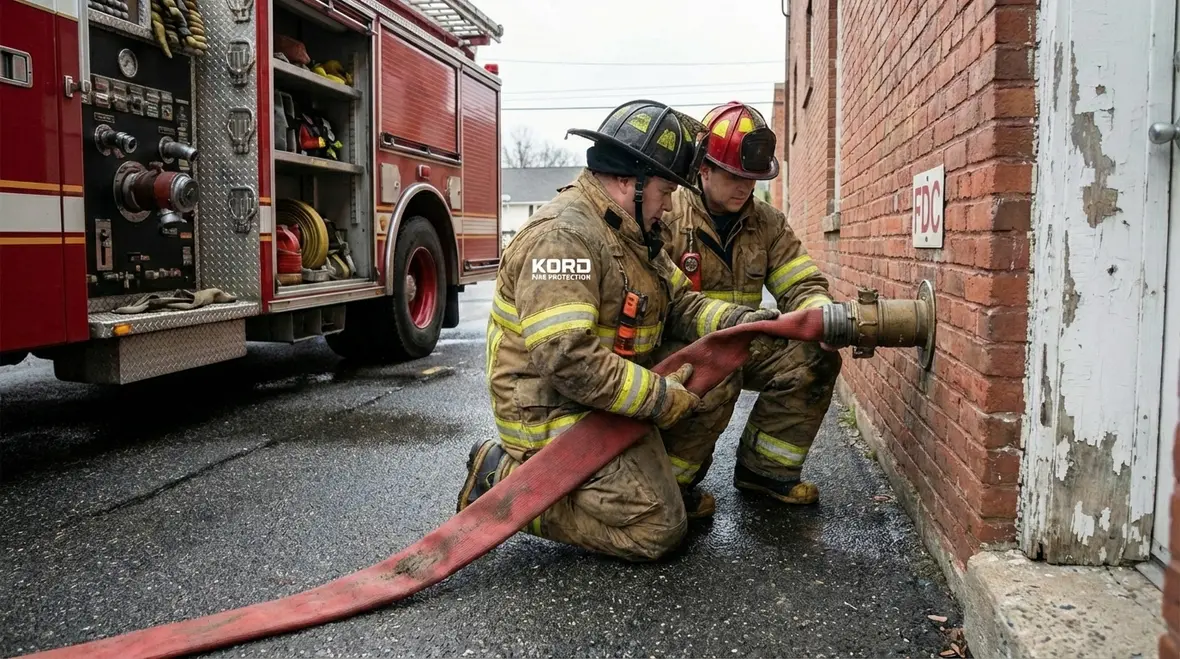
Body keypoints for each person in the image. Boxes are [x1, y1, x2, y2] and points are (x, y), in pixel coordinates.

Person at [456, 100, 779, 562]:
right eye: (666, 192)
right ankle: (500, 483)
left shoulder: (631, 232)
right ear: (630, 181)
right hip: (551, 410)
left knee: (714, 374)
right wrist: (659, 397)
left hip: (605, 395)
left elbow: (682, 304)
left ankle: (659, 486)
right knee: (657, 530)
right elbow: (569, 359)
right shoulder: (564, 237)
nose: (670, 206)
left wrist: (741, 324)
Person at [654, 101, 842, 508]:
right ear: (704, 169)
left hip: (744, 343)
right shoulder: (666, 218)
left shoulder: (768, 223)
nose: (745, 188)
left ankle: (765, 471)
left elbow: (801, 282)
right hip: (679, 349)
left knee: (815, 358)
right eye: (734, 176)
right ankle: (670, 487)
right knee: (716, 376)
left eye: (753, 179)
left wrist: (821, 315)